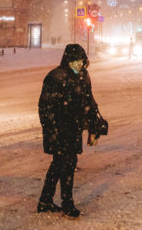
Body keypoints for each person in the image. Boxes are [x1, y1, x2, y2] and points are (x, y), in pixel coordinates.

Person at [38, 44, 105, 218]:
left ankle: (45, 201)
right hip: (60, 129)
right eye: (75, 61)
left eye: (81, 61)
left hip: (74, 127)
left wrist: (93, 124)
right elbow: (45, 107)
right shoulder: (56, 77)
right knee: (66, 164)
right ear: (67, 60)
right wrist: (51, 130)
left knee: (60, 164)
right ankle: (67, 204)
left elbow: (89, 101)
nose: (78, 64)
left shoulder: (83, 76)